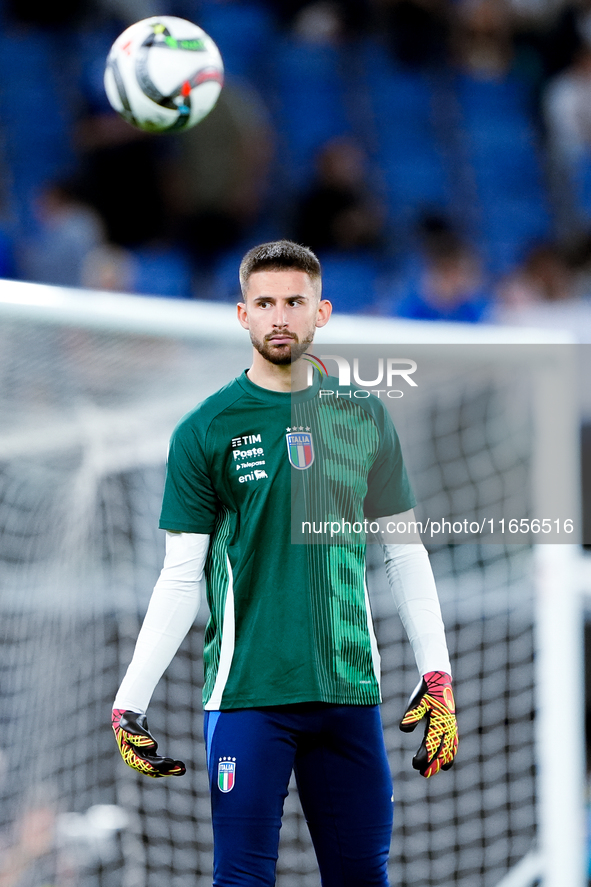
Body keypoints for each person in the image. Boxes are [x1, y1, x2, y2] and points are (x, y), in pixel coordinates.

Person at [111, 239, 458, 887]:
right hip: (247, 697)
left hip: (348, 692)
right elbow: (180, 575)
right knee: (241, 879)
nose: (279, 316)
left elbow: (404, 555)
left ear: (320, 311)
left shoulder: (363, 415)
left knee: (362, 878)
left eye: (293, 301)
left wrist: (435, 671)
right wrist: (130, 700)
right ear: (241, 314)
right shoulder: (205, 428)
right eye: (263, 302)